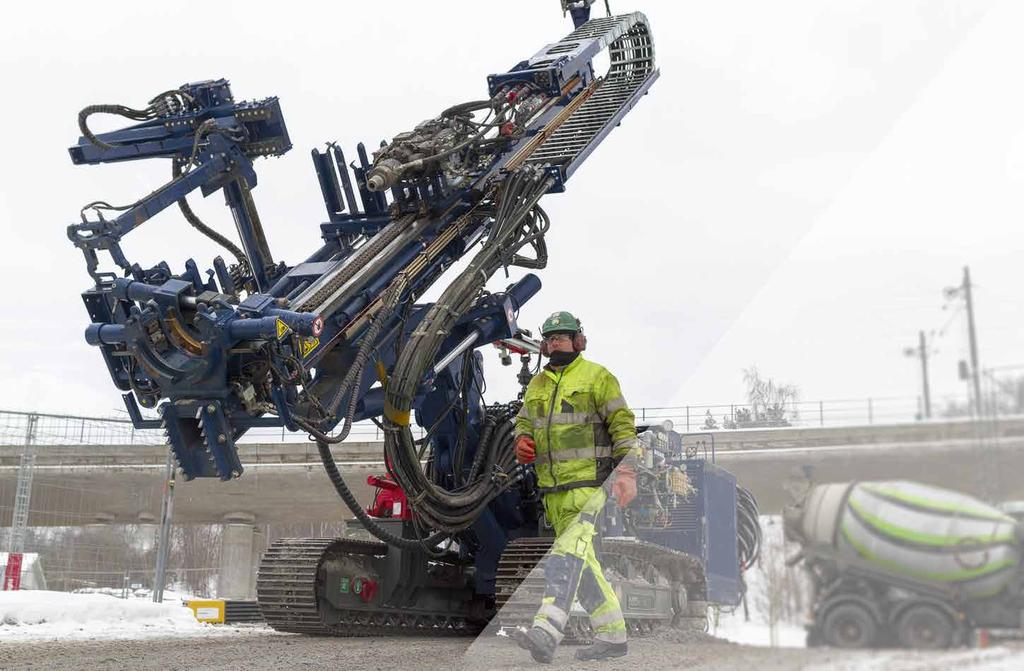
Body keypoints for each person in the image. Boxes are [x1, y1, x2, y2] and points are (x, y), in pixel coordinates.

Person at [512, 311, 638, 663]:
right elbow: (523, 421)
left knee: (564, 557)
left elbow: (622, 426)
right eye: (550, 338)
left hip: (589, 486)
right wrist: (521, 439)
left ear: (578, 341)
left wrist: (626, 472)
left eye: (563, 337)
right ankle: (613, 637)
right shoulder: (537, 385)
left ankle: (546, 631)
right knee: (583, 565)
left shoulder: (598, 377)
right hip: (552, 490)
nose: (555, 343)